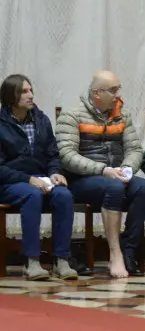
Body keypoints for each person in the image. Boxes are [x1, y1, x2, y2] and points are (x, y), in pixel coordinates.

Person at [56, 70, 145, 278]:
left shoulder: (122, 114)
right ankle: (114, 253)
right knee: (114, 187)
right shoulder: (72, 115)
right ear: (97, 93)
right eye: (113, 90)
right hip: (83, 180)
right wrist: (103, 170)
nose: (118, 94)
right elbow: (66, 155)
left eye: (118, 88)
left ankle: (129, 252)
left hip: (116, 175)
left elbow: (135, 150)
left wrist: (127, 169)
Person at [0, 74, 78, 281]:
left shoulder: (41, 120)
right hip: (10, 182)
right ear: (10, 97)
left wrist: (54, 172)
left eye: (31, 90)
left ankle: (61, 260)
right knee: (32, 195)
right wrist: (28, 179)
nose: (30, 95)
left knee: (64, 196)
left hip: (41, 178)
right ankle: (31, 261)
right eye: (24, 92)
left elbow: (52, 153)